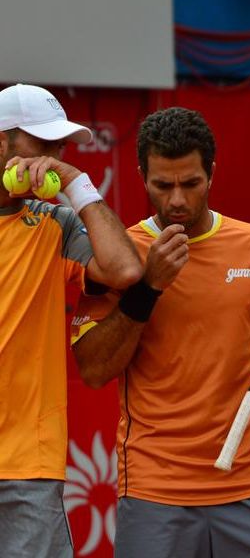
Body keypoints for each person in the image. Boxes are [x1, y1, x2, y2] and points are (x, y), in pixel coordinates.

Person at [71, 106, 250, 558]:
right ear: (142, 175)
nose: (177, 200)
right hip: (154, 488)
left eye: (190, 183)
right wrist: (149, 286)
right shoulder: (118, 255)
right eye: (163, 185)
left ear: (212, 174)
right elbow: (93, 369)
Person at [0, 83, 143, 558]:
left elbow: (125, 270)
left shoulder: (53, 223)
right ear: (2, 143)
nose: (53, 158)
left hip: (26, 465)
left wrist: (77, 183)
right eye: (43, 146)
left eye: (59, 148)